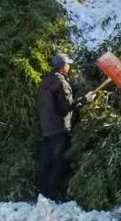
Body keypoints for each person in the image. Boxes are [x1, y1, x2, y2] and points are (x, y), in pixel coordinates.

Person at [37, 53, 95, 202]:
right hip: (59, 128)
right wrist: (85, 99)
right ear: (63, 67)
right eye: (68, 64)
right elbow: (66, 107)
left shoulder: (45, 81)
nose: (69, 67)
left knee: (50, 162)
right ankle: (55, 196)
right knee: (60, 163)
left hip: (47, 128)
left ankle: (46, 194)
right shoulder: (61, 83)